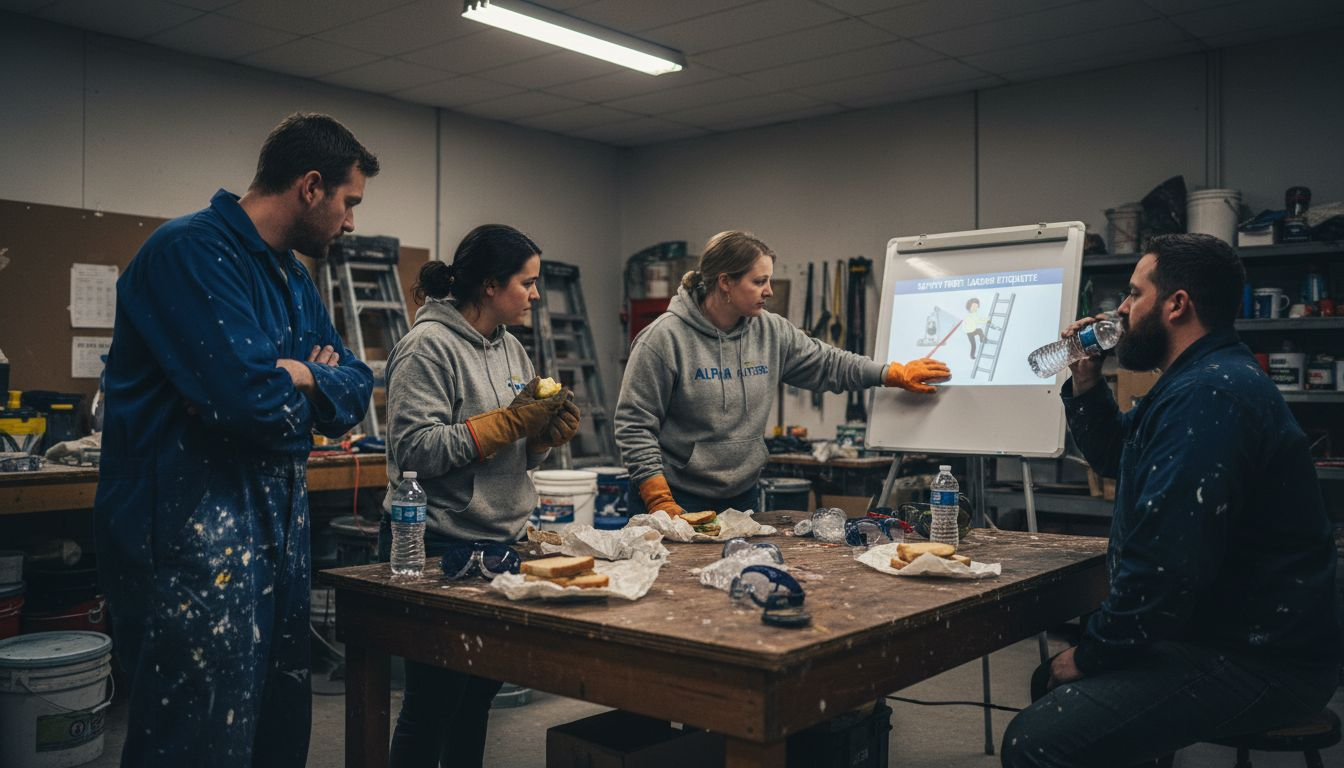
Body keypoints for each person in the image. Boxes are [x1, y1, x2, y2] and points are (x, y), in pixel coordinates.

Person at [94, 113, 378, 766]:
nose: (350, 222)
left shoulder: (290, 278)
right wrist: (303, 388)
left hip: (273, 538)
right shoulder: (190, 253)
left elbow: (355, 391)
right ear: (311, 186)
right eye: (349, 202)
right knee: (195, 740)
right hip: (187, 541)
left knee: (276, 730)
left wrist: (302, 374)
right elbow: (250, 405)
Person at [1001, 234, 1341, 768]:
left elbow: (1165, 565)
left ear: (1176, 304)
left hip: (1262, 660)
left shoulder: (1211, 394)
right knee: (1052, 683)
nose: (1121, 310)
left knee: (1036, 742)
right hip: (1220, 636)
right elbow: (1117, 455)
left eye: (1135, 294)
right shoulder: (1195, 381)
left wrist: (1093, 654)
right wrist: (1085, 377)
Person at [380, 224, 579, 768]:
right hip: (441, 543)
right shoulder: (426, 347)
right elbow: (414, 450)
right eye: (527, 283)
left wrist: (540, 439)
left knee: (475, 702)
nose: (535, 295)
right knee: (433, 705)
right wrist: (507, 424)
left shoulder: (512, 349)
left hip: (500, 542)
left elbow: (516, 455)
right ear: (490, 285)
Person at [616, 230, 950, 518]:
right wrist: (659, 500)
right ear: (725, 282)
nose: (769, 291)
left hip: (741, 498)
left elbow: (829, 363)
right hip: (676, 497)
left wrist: (889, 373)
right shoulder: (663, 339)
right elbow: (634, 425)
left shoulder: (771, 331)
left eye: (768, 280)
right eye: (758, 281)